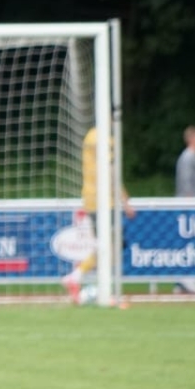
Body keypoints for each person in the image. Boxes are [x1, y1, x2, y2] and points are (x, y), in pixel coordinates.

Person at [64, 125, 135, 305]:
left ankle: (79, 279)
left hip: (90, 198)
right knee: (112, 244)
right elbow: (111, 173)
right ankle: (92, 286)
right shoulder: (104, 139)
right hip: (104, 200)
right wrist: (125, 201)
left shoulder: (90, 136)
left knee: (107, 245)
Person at [174, 126, 195, 295]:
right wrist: (190, 205)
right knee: (189, 241)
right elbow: (186, 183)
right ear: (192, 139)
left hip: (189, 205)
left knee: (189, 241)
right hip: (187, 207)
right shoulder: (188, 157)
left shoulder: (192, 156)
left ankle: (182, 281)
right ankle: (186, 278)